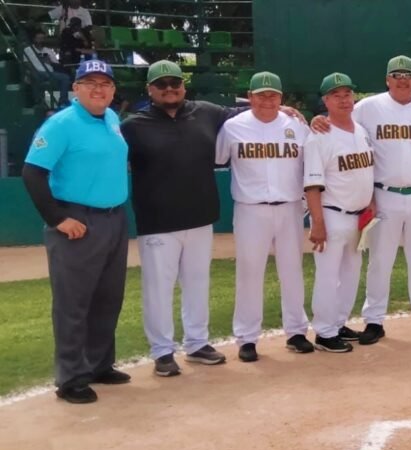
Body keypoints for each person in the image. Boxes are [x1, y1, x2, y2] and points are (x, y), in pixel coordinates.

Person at [22, 60, 129, 404]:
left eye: (105, 83)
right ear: (76, 89)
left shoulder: (111, 119)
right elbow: (32, 173)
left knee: (107, 298)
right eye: (90, 83)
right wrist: (57, 218)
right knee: (73, 302)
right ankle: (71, 378)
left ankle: (99, 364)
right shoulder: (62, 124)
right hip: (77, 221)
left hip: (113, 218)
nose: (98, 89)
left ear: (113, 90)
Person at [121, 60, 236, 377]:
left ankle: (197, 344)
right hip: (158, 222)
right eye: (161, 84)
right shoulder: (132, 126)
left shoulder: (207, 112)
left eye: (175, 83)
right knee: (159, 289)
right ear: (150, 90)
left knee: (197, 284)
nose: (169, 89)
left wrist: (289, 111)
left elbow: (248, 114)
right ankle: (162, 351)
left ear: (183, 86)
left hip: (201, 217)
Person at [348, 56, 411, 340]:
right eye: (396, 75)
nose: (402, 80)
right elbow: (342, 127)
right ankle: (374, 320)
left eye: (408, 75)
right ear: (387, 79)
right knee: (380, 260)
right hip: (383, 194)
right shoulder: (368, 107)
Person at [215, 71, 311, 362]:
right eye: (261, 95)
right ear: (250, 97)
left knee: (292, 270)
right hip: (250, 208)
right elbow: (219, 158)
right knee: (249, 272)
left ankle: (296, 331)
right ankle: (247, 338)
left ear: (281, 98)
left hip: (290, 206)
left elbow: (310, 164)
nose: (267, 100)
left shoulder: (296, 125)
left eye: (273, 95)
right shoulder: (233, 127)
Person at [302, 72, 375, 354]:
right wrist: (317, 222)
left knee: (351, 274)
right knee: (328, 276)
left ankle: (338, 323)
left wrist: (370, 202)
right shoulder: (319, 136)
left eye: (347, 94)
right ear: (326, 101)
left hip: (358, 216)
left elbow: (365, 170)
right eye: (336, 96)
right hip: (332, 214)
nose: (344, 100)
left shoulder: (360, 130)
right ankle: (324, 331)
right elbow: (312, 184)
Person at [24, 30, 70, 106]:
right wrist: (31, 72)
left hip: (50, 72)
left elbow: (57, 64)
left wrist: (49, 61)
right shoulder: (28, 49)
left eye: (42, 38)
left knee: (65, 77)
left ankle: (63, 100)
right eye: (38, 38)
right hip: (37, 72)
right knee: (35, 76)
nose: (40, 40)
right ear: (34, 39)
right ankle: (38, 101)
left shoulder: (48, 50)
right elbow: (26, 63)